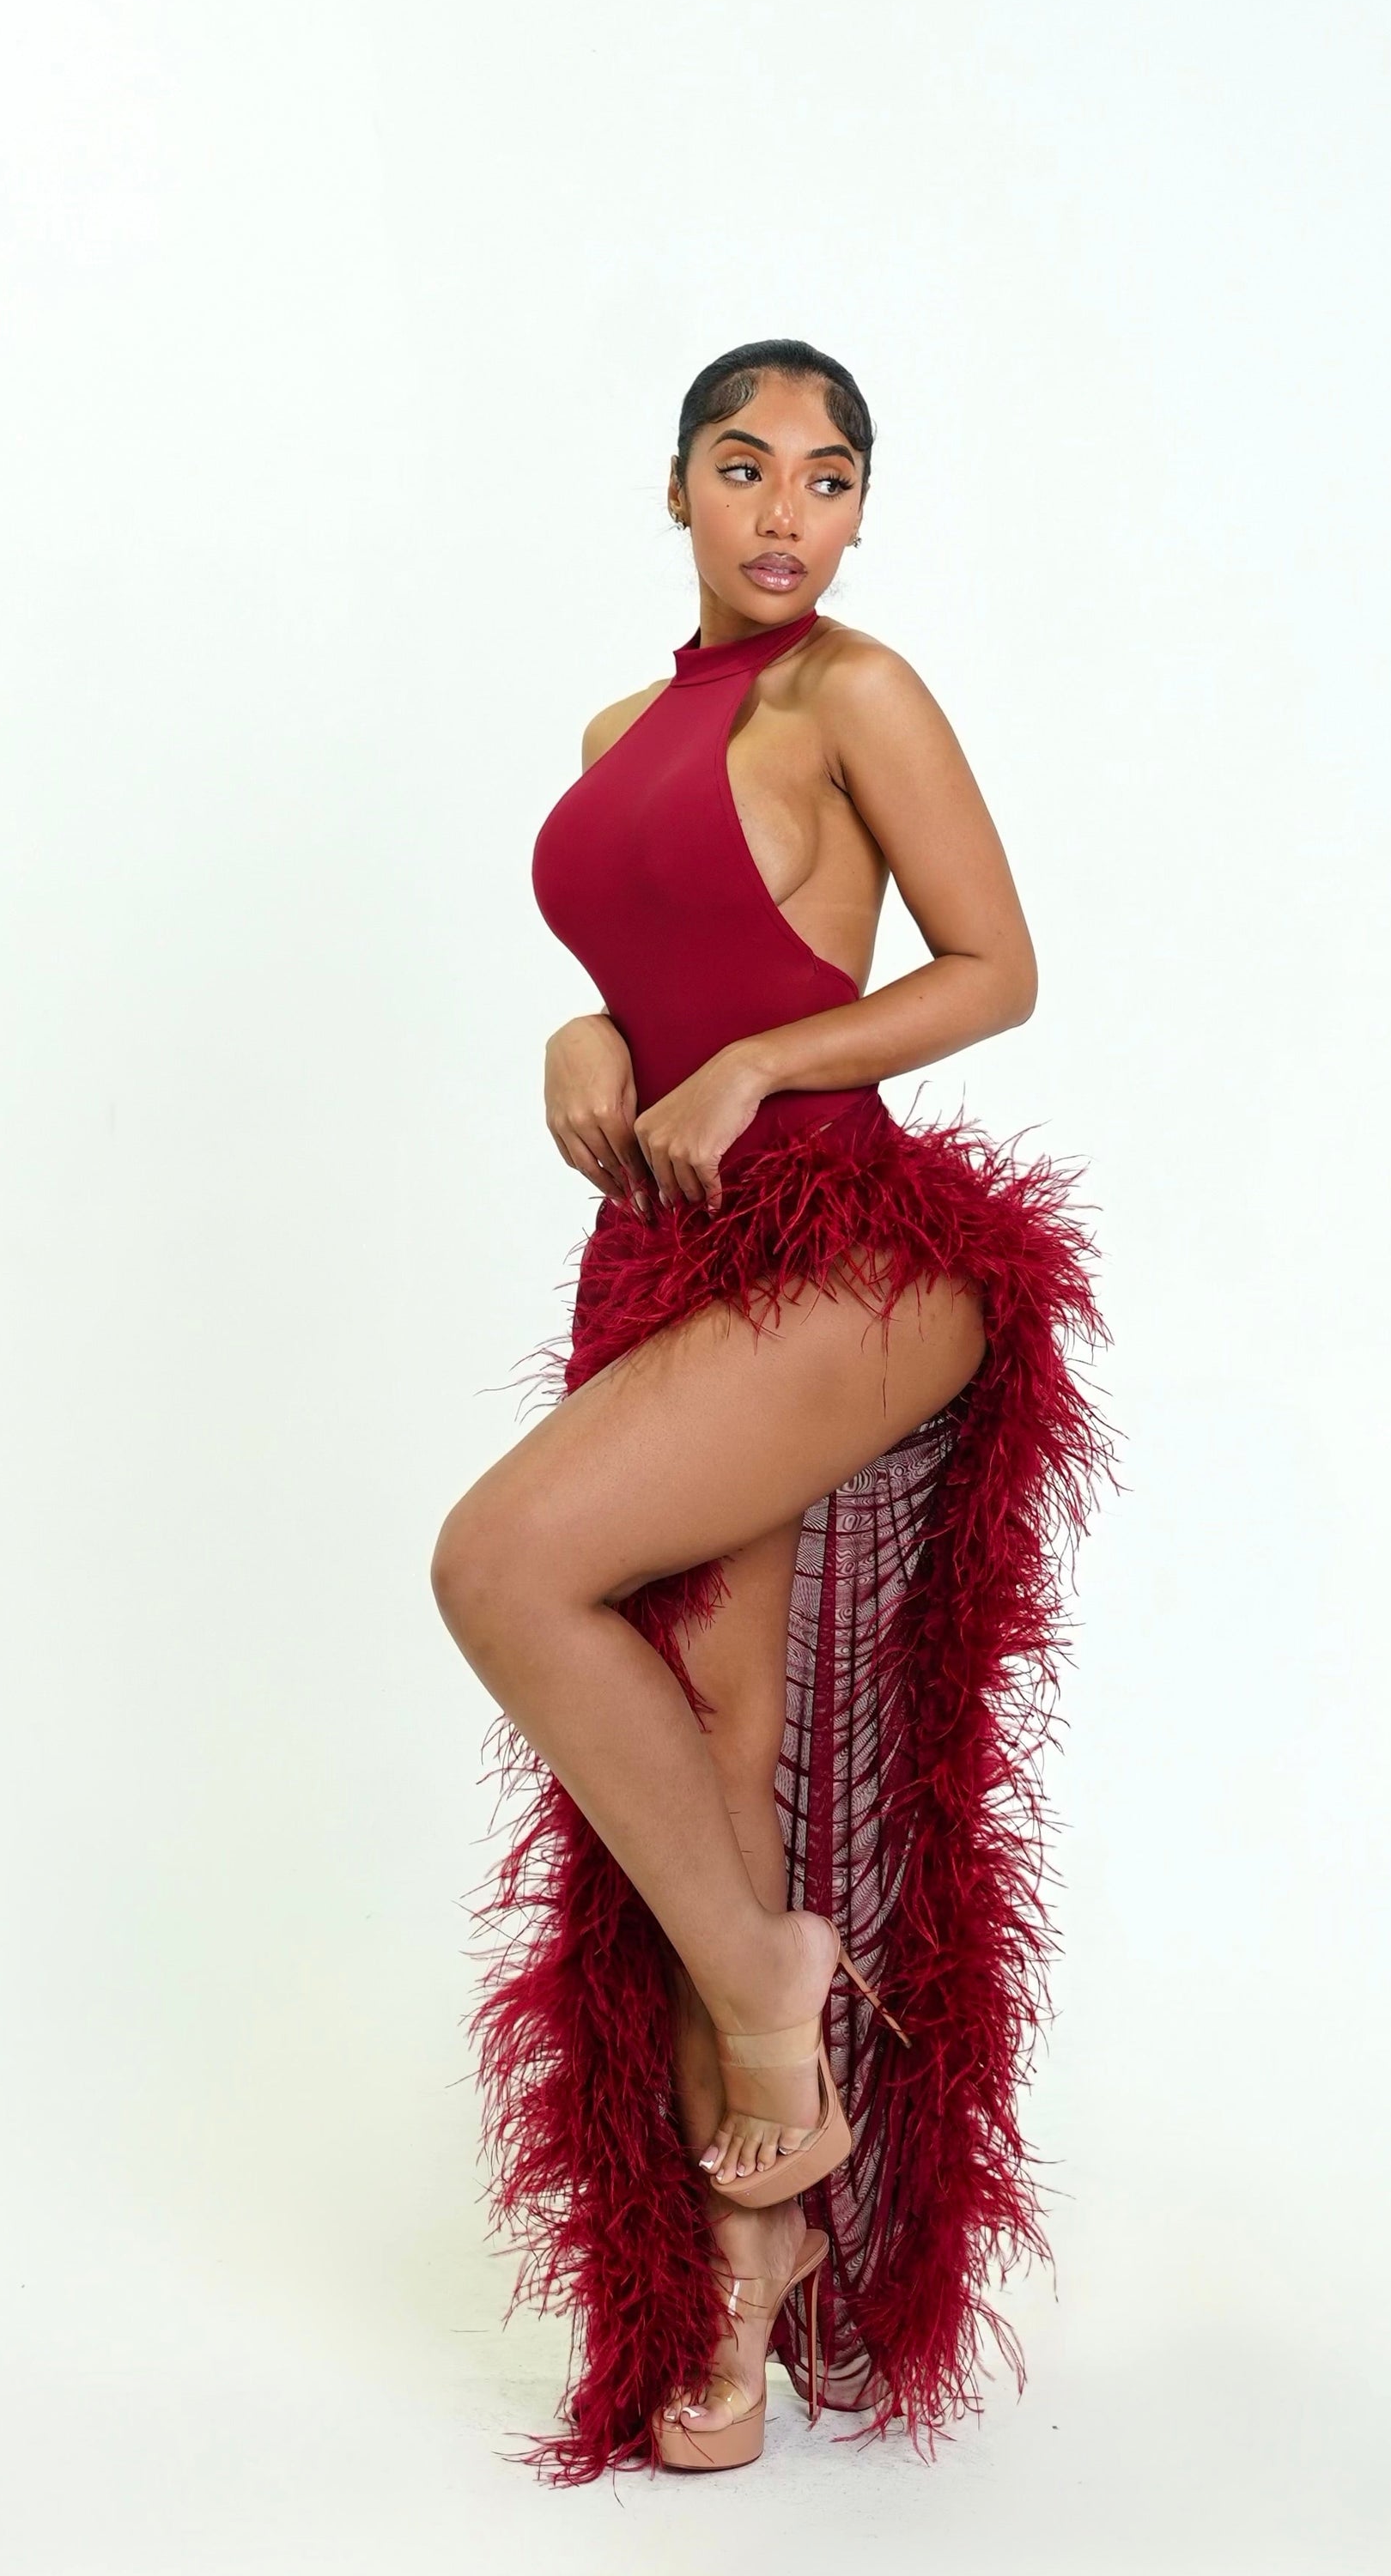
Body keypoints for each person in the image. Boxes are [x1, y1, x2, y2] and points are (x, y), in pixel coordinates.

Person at [431, 338, 1111, 2479]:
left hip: (853, 1247)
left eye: (826, 479)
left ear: (858, 515)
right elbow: (651, 970)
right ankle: (751, 2258)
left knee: (500, 1564)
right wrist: (585, 1037)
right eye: (745, 468)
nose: (786, 513)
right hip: (673, 1253)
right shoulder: (619, 733)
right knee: (706, 1740)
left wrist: (758, 1065)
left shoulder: (856, 693)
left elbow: (993, 968)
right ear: (676, 491)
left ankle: (763, 1984)